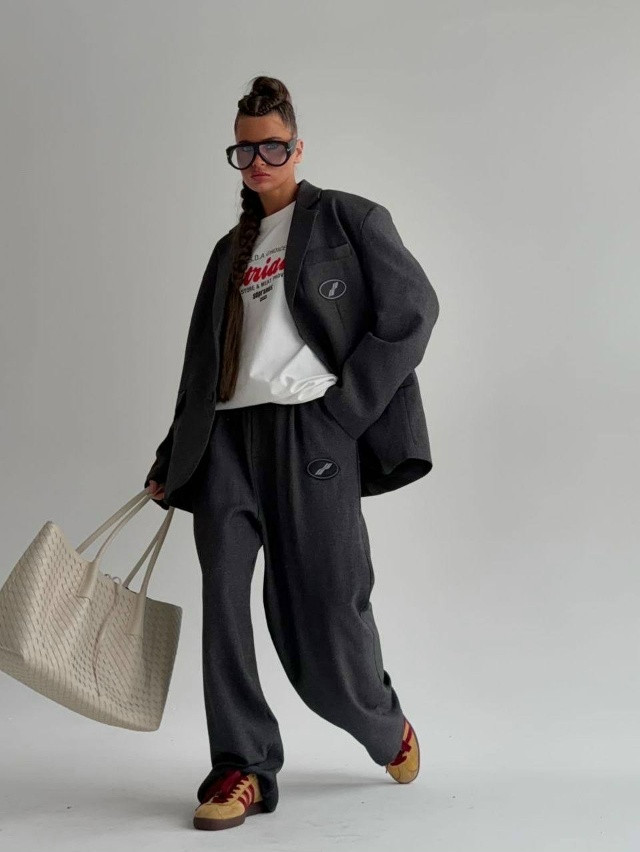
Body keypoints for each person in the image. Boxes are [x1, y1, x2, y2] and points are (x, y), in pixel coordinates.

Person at [145, 75, 439, 832]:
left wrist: (343, 412)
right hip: (226, 442)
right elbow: (204, 362)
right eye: (245, 150)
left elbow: (413, 311)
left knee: (326, 612)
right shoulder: (229, 251)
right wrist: (173, 454)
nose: (258, 161)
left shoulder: (347, 219)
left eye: (272, 147)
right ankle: (241, 764)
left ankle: (382, 724)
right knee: (224, 603)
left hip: (312, 434)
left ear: (297, 147)